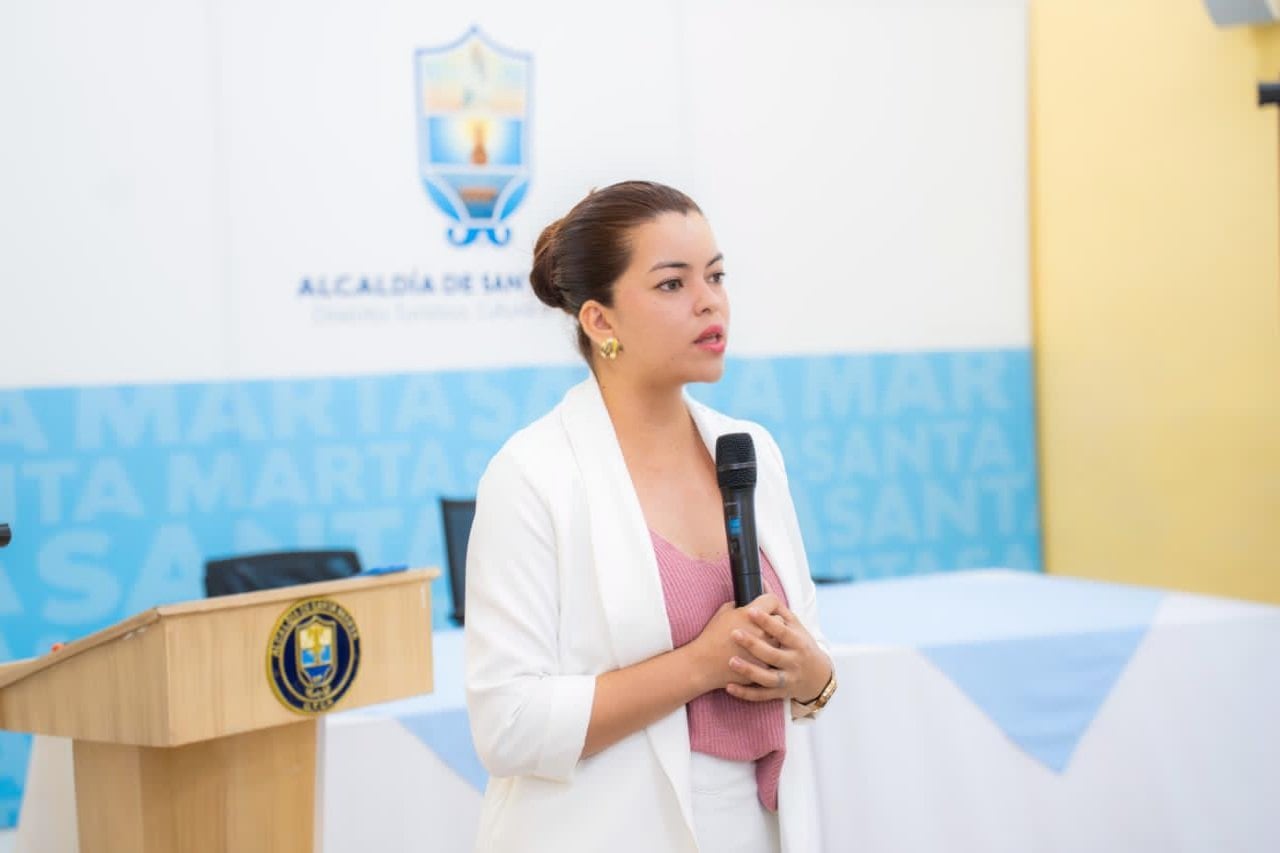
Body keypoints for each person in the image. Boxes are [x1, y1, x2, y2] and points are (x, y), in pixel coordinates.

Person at [464, 180, 837, 853]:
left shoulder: (750, 450)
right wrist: (699, 665)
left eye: (715, 276)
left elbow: (806, 664)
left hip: (760, 828)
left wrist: (814, 676)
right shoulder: (531, 475)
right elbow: (507, 725)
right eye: (672, 283)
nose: (709, 300)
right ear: (600, 322)